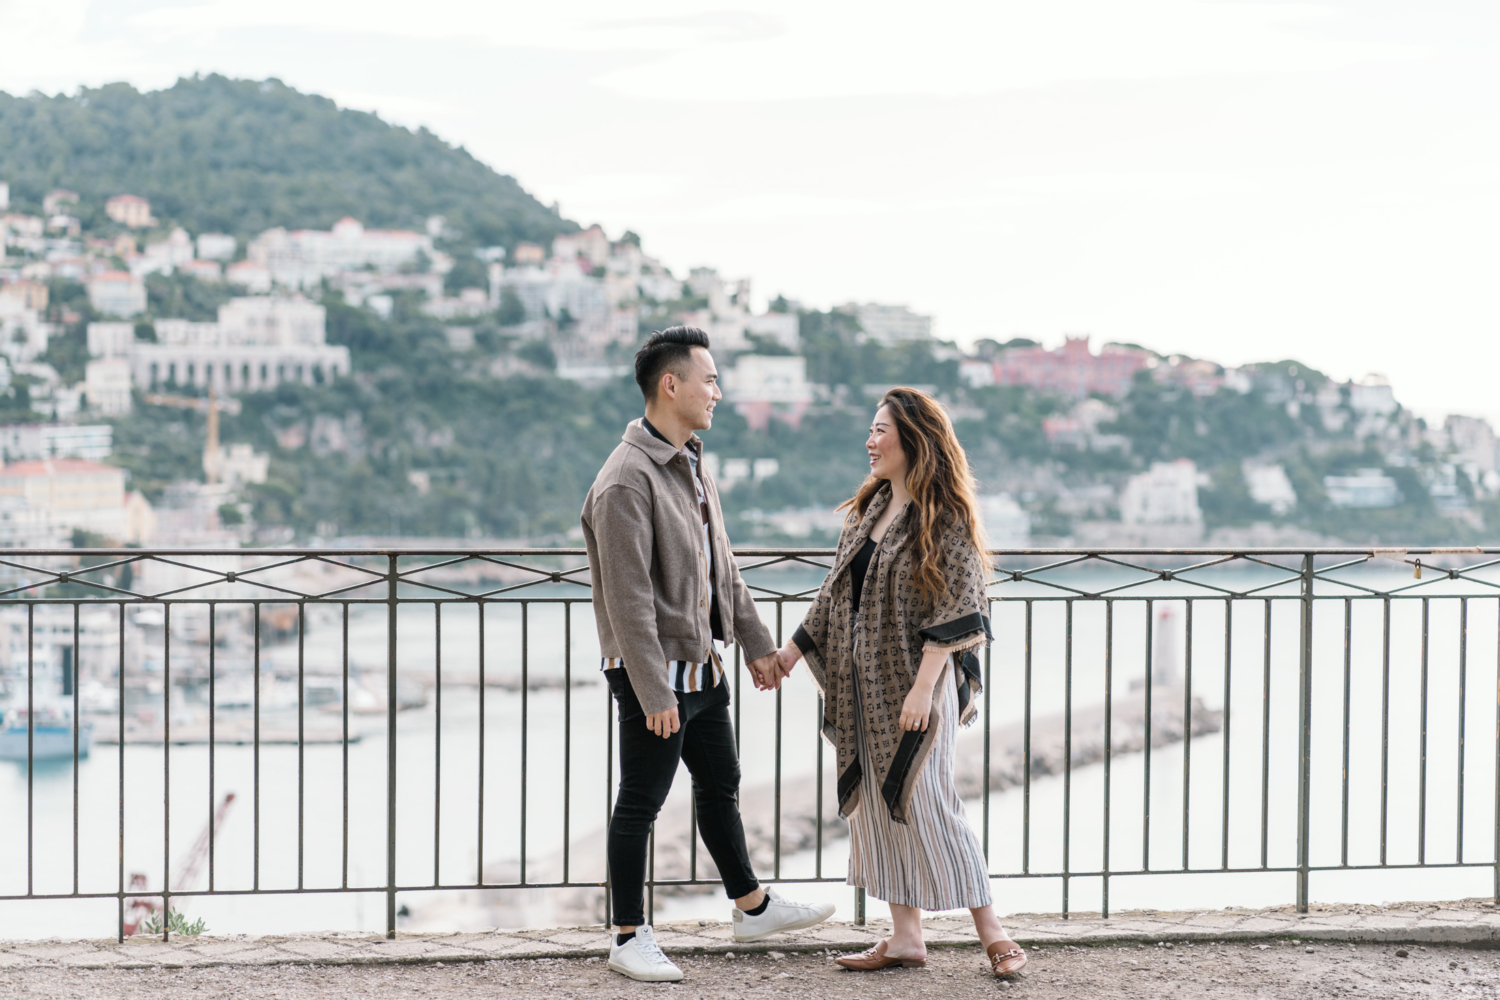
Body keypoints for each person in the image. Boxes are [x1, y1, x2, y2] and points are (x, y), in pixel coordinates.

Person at [581, 326, 836, 983]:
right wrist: (652, 690)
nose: (718, 392)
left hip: (702, 666)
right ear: (672, 385)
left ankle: (751, 906)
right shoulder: (624, 481)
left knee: (719, 783)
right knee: (640, 802)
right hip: (656, 676)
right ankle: (628, 935)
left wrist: (755, 645)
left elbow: (724, 567)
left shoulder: (692, 462)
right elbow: (628, 601)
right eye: (711, 379)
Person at [773, 386, 1029, 979]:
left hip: (918, 687)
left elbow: (958, 603)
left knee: (929, 803)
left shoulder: (945, 515)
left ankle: (994, 932)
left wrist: (922, 688)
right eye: (869, 429)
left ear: (913, 437)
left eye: (880, 430)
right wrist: (789, 654)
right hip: (859, 683)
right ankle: (905, 936)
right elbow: (834, 593)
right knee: (875, 808)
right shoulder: (868, 509)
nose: (869, 440)